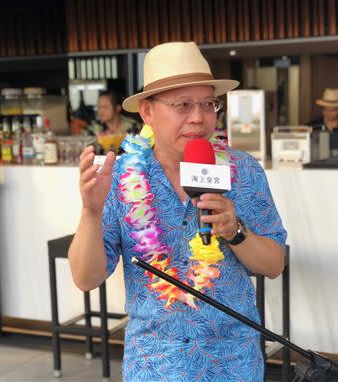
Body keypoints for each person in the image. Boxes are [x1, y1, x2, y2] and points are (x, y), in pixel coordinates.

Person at [68, 41, 286, 381]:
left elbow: (274, 264)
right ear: (147, 112)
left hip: (233, 363)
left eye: (207, 104)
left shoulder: (244, 170)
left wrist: (235, 231)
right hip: (155, 364)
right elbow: (86, 278)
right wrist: (91, 214)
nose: (198, 118)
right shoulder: (120, 177)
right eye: (182, 105)